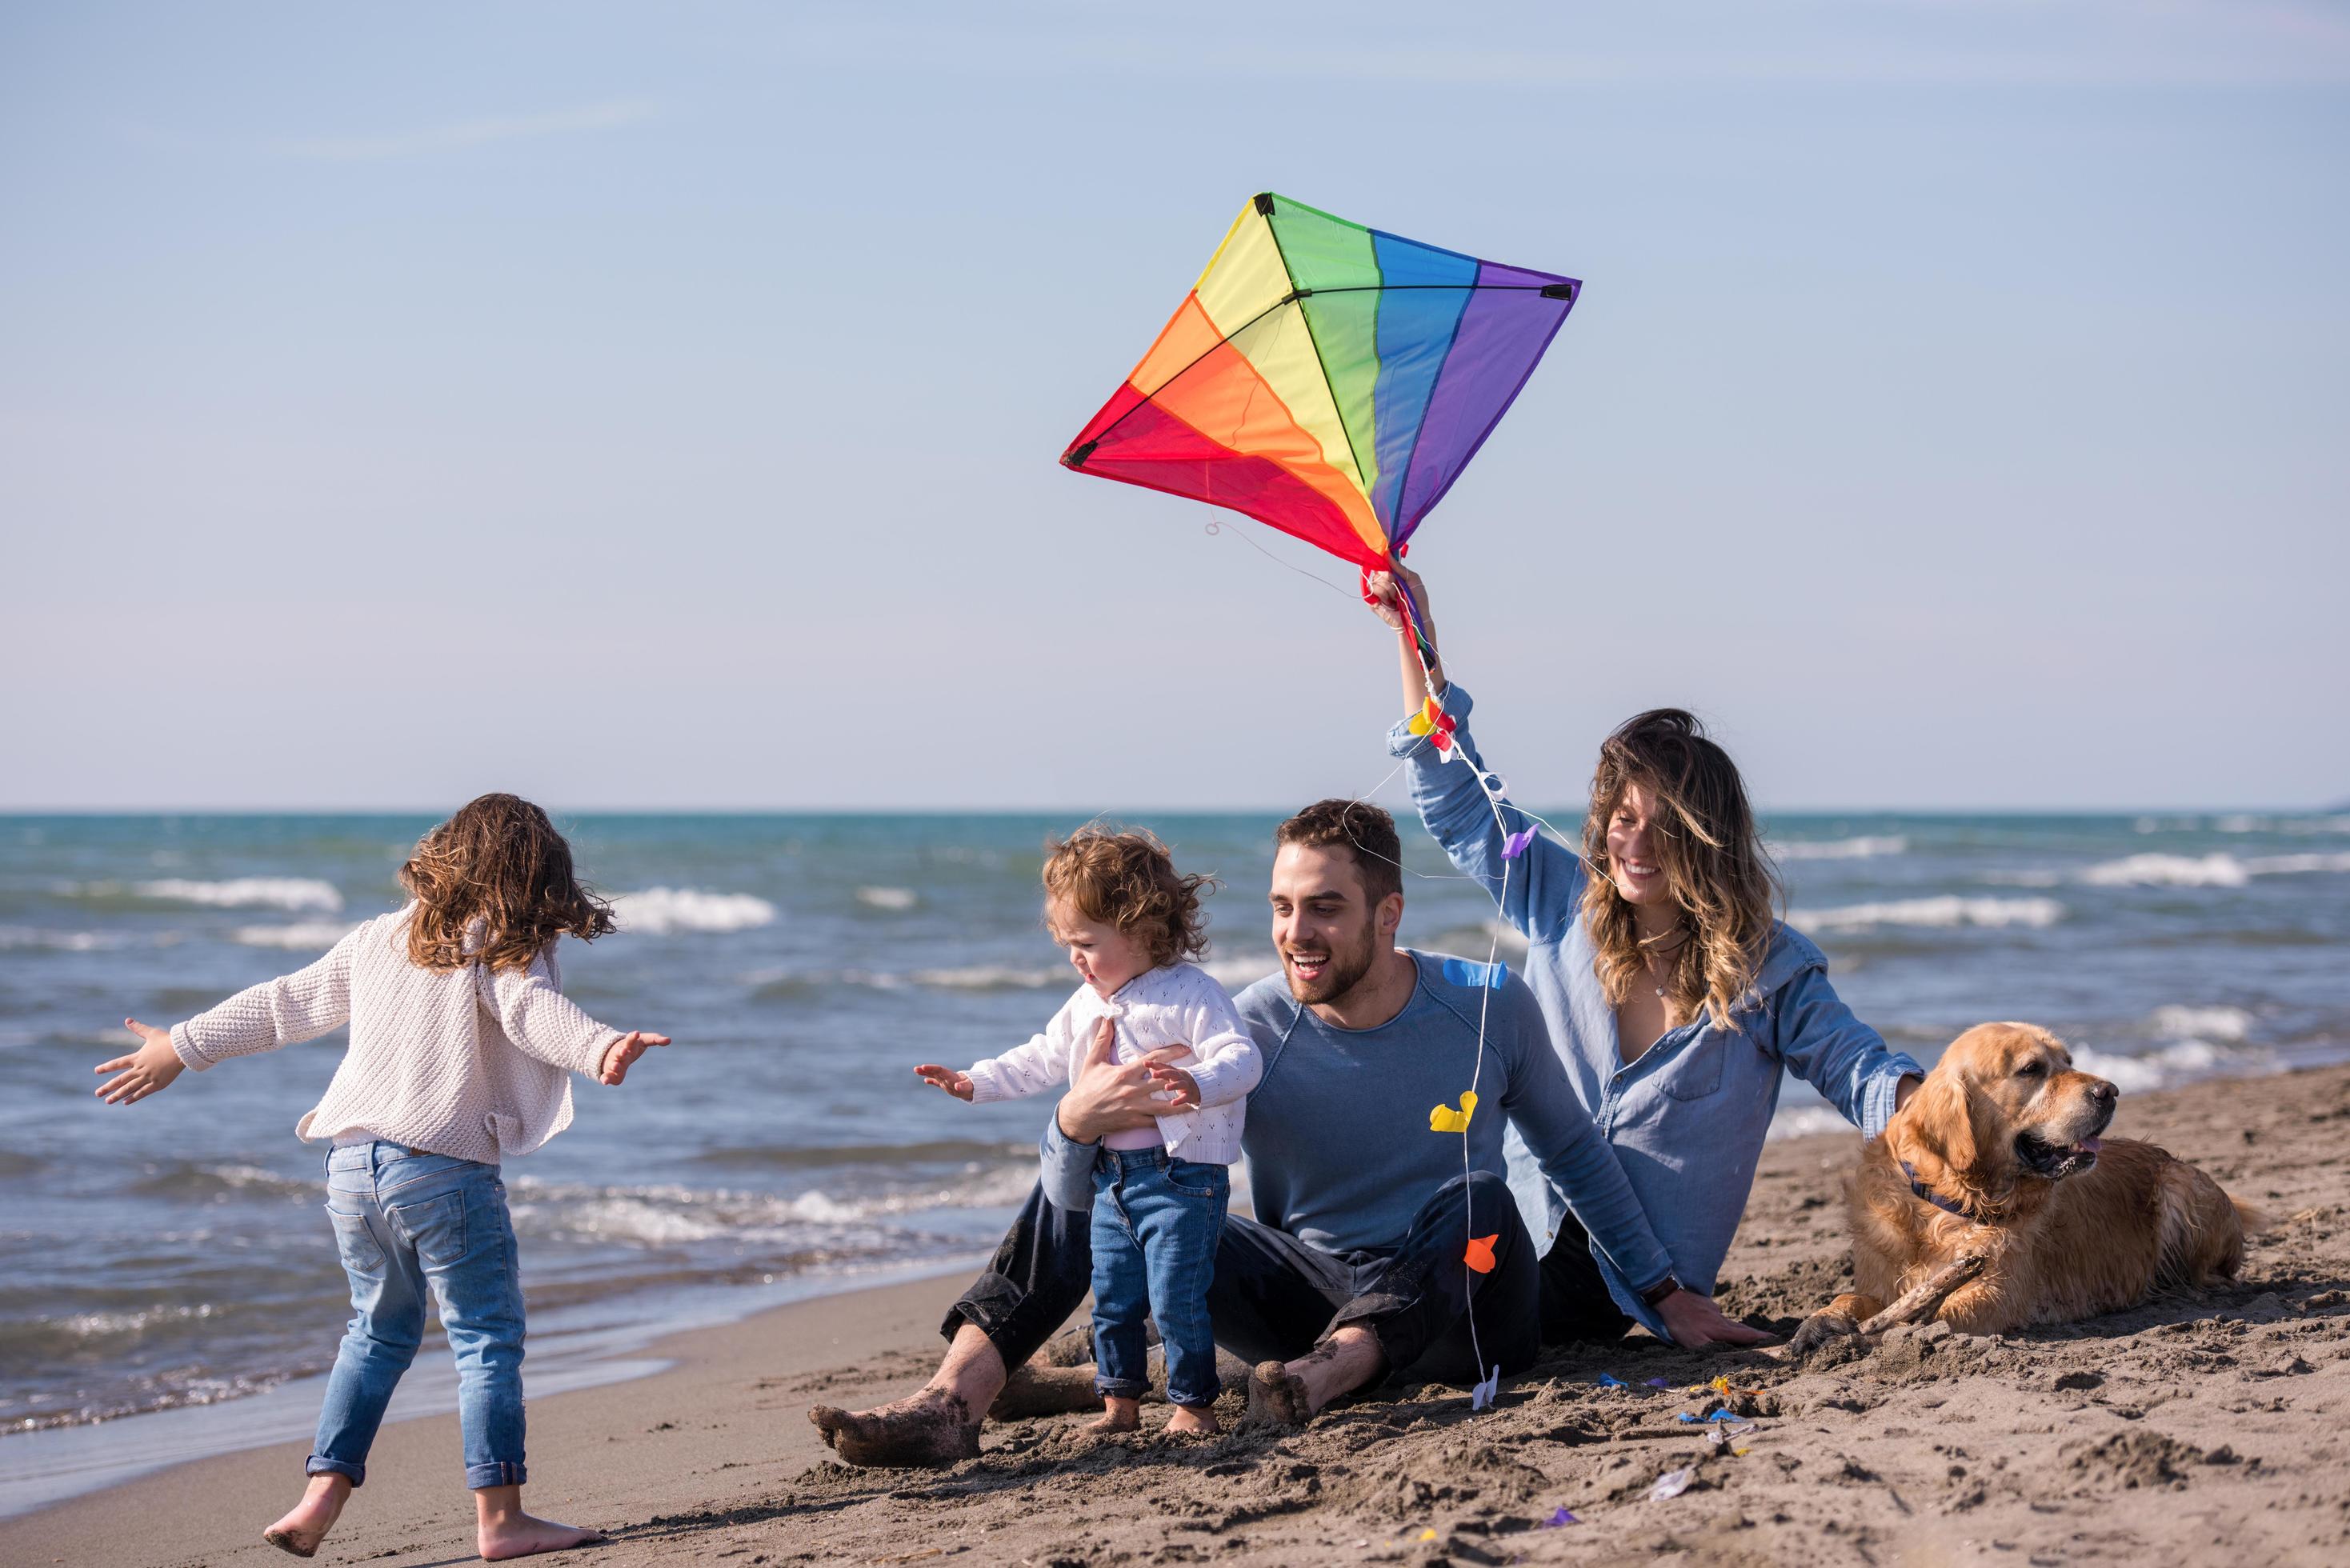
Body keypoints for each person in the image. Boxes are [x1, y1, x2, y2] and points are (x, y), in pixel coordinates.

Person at [810, 799, 1755, 1467]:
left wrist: (1666, 1293)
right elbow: (1085, 1192)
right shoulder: (1238, 1025)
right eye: (1281, 907)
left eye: (1325, 908)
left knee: (1479, 1198)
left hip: (1465, 1308)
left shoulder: (1487, 1007)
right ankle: (952, 1402)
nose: (1297, 932)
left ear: (1389, 913)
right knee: (1123, 1185)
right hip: (1301, 1303)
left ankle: (1331, 1371)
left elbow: (1574, 1155)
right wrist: (1071, 1121)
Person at [90, 794, 671, 1562]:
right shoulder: (496, 945)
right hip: (441, 1167)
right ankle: (501, 1520)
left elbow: (282, 1005)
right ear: (532, 873)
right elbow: (532, 1013)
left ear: (445, 855)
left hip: (351, 1169)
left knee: (375, 1333)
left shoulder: (377, 939)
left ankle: (317, 1499)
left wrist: (183, 1046)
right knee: (485, 1340)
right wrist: (601, 1049)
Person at [1363, 564, 1924, 1337]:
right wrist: (1411, 634)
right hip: (1513, 1220)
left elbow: (1855, 1069)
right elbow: (1453, 792)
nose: (1635, 841)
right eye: (1623, 818)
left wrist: (1947, 1115)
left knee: (1416, 1306)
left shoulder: (1771, 970)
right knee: (1371, 1271)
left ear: (1708, 837)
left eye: (1665, 824)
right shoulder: (1560, 901)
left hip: (1623, 1283)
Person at [915, 828, 1261, 1437]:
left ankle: (1192, 1407)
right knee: (1114, 1301)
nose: (1075, 958)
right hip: (1110, 1182)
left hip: (1180, 1179)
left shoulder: (1189, 993)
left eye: (1086, 942)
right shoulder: (1083, 1002)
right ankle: (1118, 1406)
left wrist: (1201, 1082)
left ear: (1143, 929)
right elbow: (1041, 1056)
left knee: (1176, 1298)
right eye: (1066, 943)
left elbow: (1241, 1056)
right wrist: (975, 1082)